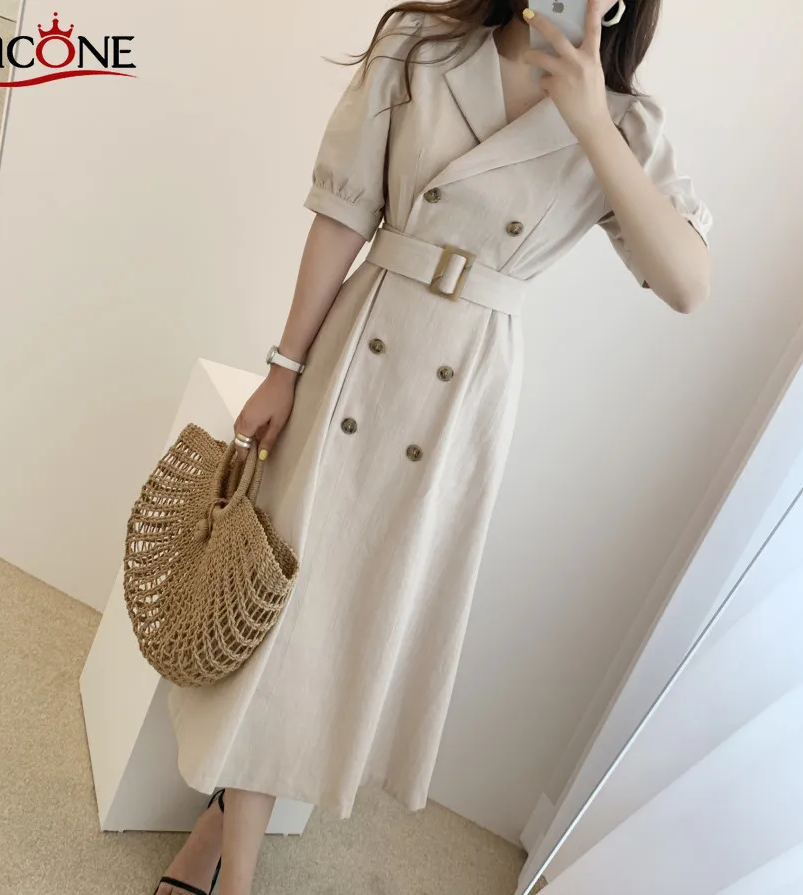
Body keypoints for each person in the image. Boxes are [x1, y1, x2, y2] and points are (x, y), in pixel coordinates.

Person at [154, 1, 712, 892]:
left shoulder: (626, 122)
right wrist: (284, 367)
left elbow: (685, 282)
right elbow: (342, 212)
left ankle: (218, 831)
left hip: (460, 396)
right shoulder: (422, 47)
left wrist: (590, 120)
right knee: (284, 605)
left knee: (346, 622)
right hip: (360, 349)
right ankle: (238, 873)